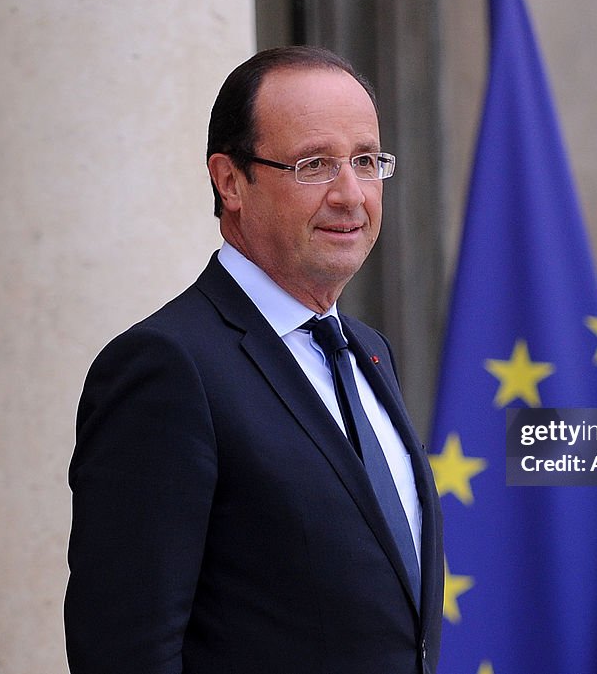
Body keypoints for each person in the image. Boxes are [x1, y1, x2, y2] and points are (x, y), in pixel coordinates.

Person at [64, 46, 443, 674]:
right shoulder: (167, 367)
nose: (351, 194)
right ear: (230, 181)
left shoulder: (369, 352)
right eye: (314, 164)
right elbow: (124, 653)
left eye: (367, 162)